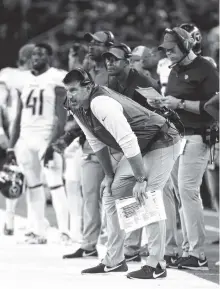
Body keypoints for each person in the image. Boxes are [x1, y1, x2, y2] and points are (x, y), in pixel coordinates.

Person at [54, 68, 181, 279]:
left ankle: (157, 264)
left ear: (88, 87)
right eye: (68, 90)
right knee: (111, 193)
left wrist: (140, 179)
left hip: (162, 140)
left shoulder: (100, 103)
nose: (70, 95)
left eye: (74, 90)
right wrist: (109, 175)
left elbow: (127, 140)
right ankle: (115, 260)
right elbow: (95, 141)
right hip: (141, 146)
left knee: (148, 195)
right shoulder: (76, 106)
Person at [155, 27, 219, 270]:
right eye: (166, 50)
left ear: (185, 46)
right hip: (176, 137)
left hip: (197, 137)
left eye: (172, 50)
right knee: (173, 191)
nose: (168, 54)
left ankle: (197, 253)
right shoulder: (174, 70)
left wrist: (179, 103)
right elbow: (175, 105)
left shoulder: (206, 68)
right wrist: (163, 105)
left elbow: (216, 106)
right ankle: (180, 250)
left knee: (188, 191)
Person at [7, 43, 71, 244]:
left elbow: (61, 118)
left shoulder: (57, 77)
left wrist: (54, 143)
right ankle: (38, 230)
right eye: (34, 54)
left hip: (45, 136)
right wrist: (11, 145)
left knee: (55, 184)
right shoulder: (23, 79)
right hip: (25, 137)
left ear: (49, 57)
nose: (36, 57)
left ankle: (65, 231)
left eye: (41, 54)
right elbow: (18, 115)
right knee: (33, 185)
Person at [102, 43, 160, 262]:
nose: (109, 63)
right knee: (126, 194)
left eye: (115, 59)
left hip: (152, 145)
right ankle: (133, 246)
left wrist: (140, 152)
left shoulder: (143, 83)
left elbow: (158, 118)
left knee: (151, 196)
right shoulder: (114, 81)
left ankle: (157, 253)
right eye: (107, 59)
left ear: (127, 61)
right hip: (129, 145)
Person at [62, 31, 115, 259]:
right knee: (90, 194)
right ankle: (89, 245)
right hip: (89, 141)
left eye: (97, 43)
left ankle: (123, 248)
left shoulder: (112, 74)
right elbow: (74, 103)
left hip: (112, 143)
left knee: (114, 197)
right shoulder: (88, 72)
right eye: (90, 42)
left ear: (108, 47)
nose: (91, 46)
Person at [0, 44, 35, 235]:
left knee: (20, 177)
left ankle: (14, 221)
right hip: (17, 130)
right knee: (21, 176)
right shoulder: (9, 75)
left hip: (23, 130)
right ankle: (16, 221)